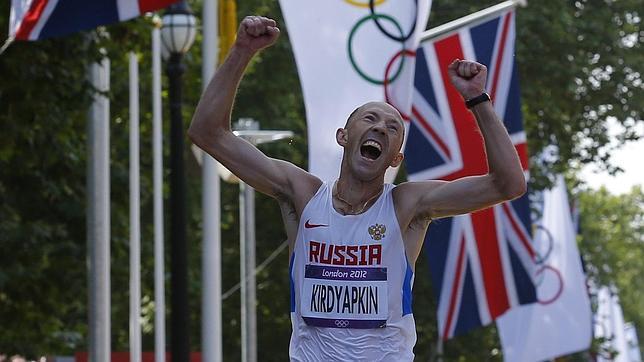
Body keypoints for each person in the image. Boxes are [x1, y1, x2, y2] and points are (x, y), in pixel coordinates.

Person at [189, 15, 526, 362]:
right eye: (370, 119)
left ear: (395, 158)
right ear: (343, 137)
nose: (380, 127)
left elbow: (508, 184)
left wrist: (477, 99)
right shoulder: (303, 194)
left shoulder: (407, 204)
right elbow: (207, 133)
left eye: (392, 127)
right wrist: (242, 50)